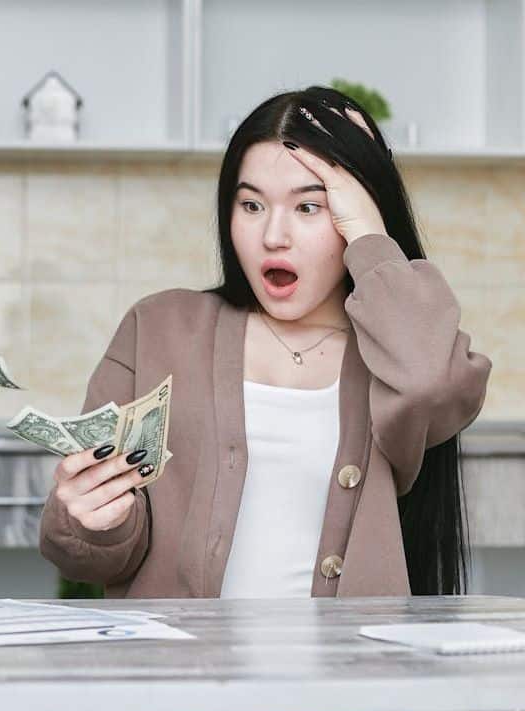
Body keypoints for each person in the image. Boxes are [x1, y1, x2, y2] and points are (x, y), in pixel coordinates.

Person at [40, 86, 491, 598]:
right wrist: (97, 521)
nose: (274, 235)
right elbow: (89, 556)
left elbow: (431, 383)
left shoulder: (394, 349)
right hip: (183, 674)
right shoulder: (157, 328)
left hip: (352, 674)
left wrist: (368, 231)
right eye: (251, 204)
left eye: (309, 208)